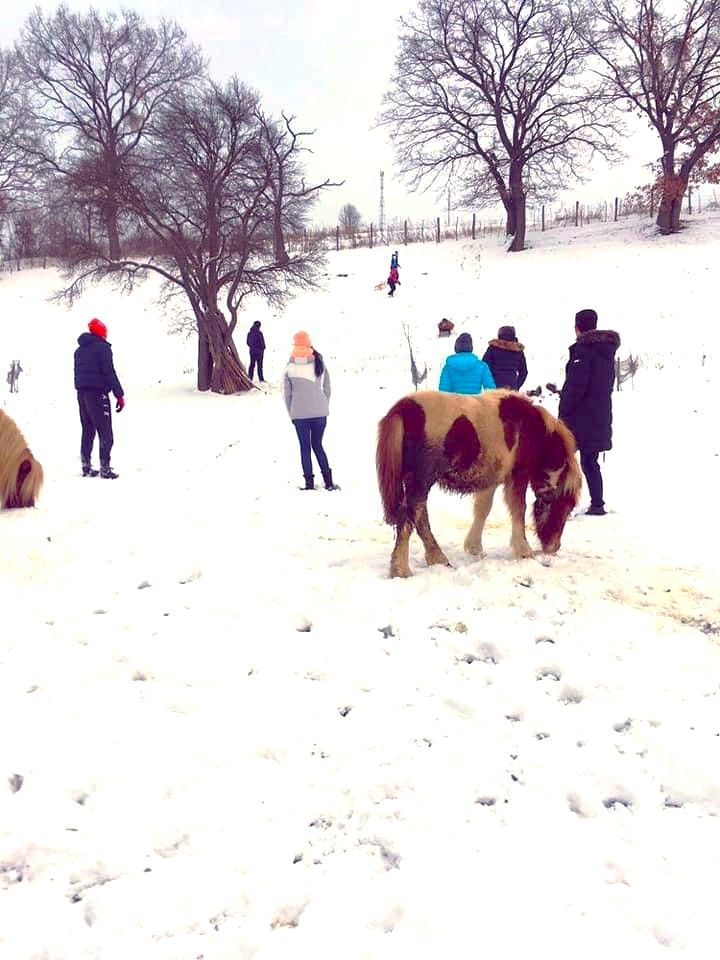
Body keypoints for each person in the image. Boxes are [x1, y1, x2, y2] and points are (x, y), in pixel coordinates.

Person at [558, 308, 620, 516]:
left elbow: (576, 387)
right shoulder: (606, 352)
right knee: (590, 461)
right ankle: (597, 503)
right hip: (600, 414)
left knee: (564, 460)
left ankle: (564, 505)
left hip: (578, 417)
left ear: (577, 327)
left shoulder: (583, 352)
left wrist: (563, 412)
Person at [283, 331, 338, 491]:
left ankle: (309, 484)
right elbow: (327, 388)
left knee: (305, 448)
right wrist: (323, 404)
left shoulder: (290, 366)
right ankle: (328, 482)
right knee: (318, 445)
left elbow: (287, 394)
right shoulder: (319, 362)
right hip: (320, 413)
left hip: (299, 414)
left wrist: (292, 413)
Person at [73, 318, 125, 479]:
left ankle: (86, 466)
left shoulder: (79, 350)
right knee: (105, 432)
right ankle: (105, 468)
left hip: (81, 394)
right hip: (97, 394)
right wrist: (119, 394)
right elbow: (109, 372)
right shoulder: (102, 349)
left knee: (88, 430)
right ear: (101, 331)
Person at [482, 325, 528, 390]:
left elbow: (484, 367)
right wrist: (516, 386)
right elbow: (524, 372)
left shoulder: (493, 348)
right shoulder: (518, 351)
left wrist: (488, 385)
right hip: (511, 388)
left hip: (494, 388)